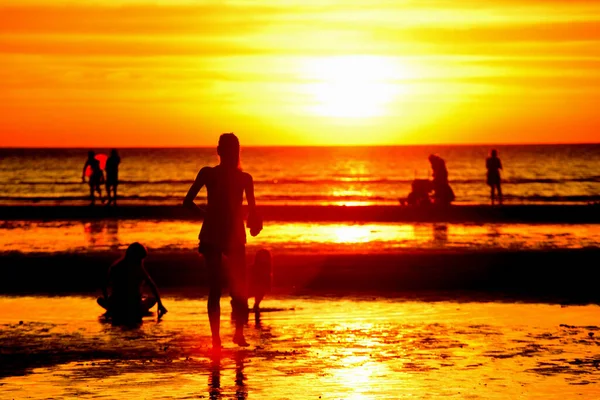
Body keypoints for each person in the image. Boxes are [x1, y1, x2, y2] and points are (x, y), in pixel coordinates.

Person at [183, 133, 262, 350]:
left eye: (233, 150)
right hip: (220, 235)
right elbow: (187, 201)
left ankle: (230, 336)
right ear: (220, 151)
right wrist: (207, 216)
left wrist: (255, 222)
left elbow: (253, 212)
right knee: (225, 288)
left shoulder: (242, 178)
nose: (231, 154)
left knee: (231, 287)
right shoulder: (216, 174)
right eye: (229, 149)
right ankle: (221, 338)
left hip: (226, 234)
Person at [97, 242, 167, 324]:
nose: (141, 261)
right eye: (140, 258)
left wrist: (108, 302)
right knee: (152, 299)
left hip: (116, 303)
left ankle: (113, 308)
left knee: (100, 300)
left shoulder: (116, 267)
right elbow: (152, 285)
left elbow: (104, 285)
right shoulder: (137, 269)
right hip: (134, 305)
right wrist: (160, 304)